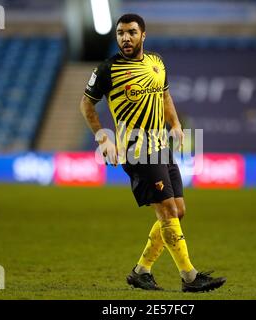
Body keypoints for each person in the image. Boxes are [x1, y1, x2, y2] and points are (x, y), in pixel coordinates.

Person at [79, 13, 226, 292]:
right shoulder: (108, 69)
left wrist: (175, 125)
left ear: (143, 35)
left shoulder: (157, 63)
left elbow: (165, 96)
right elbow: (86, 106)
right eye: (121, 33)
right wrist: (103, 139)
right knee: (168, 210)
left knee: (178, 211)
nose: (125, 38)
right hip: (137, 150)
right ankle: (190, 277)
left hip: (162, 147)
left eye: (131, 32)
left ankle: (141, 271)